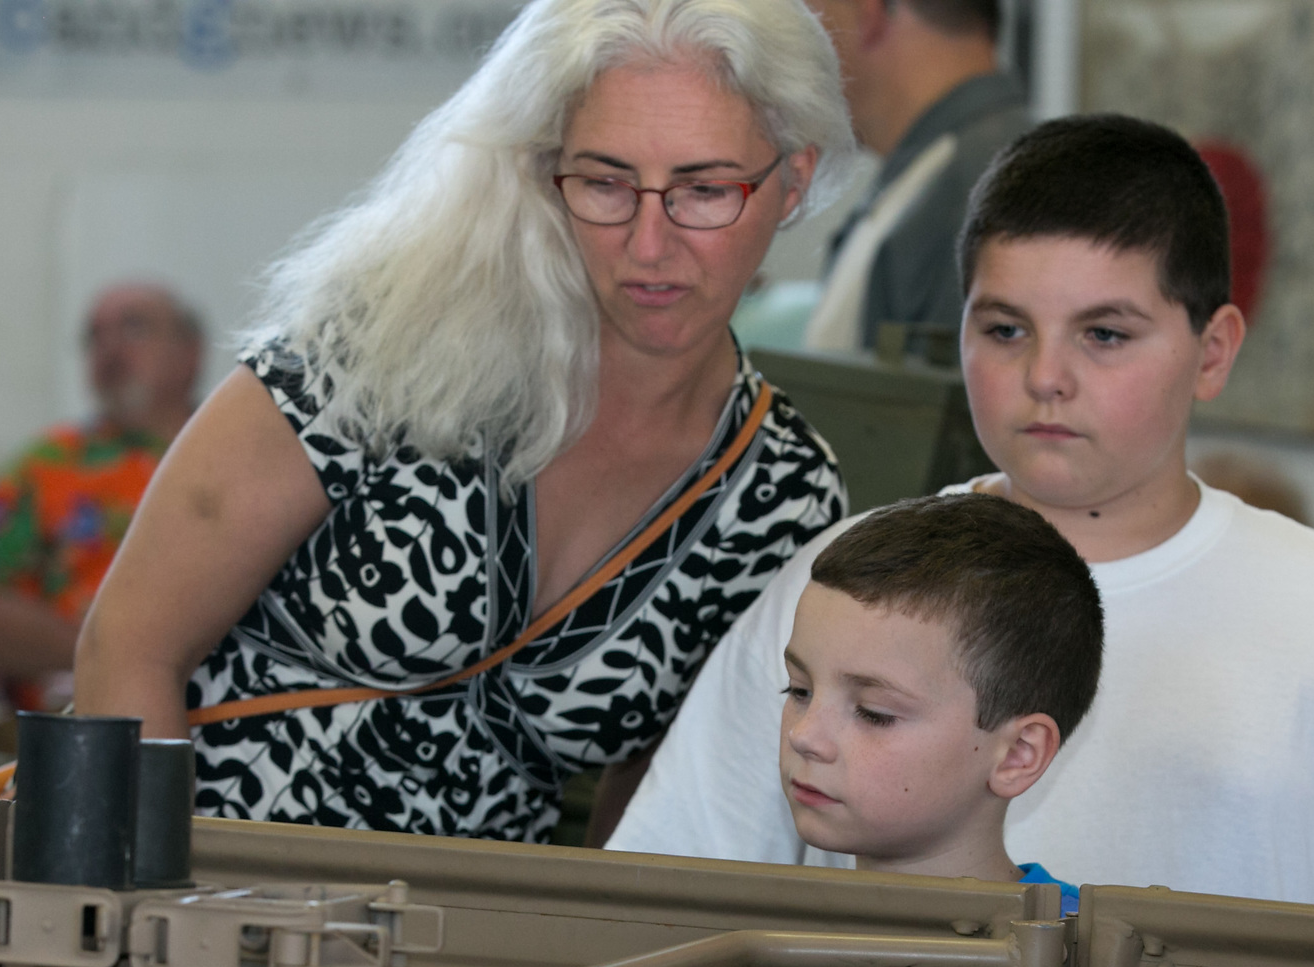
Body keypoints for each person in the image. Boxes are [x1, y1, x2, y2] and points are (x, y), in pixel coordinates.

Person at [614, 114, 1314, 922]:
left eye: (1105, 334)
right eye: (1004, 329)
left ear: (1212, 350)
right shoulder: (846, 583)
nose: (1045, 377)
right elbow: (662, 903)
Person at [74, 0, 853, 843]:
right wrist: (150, 927)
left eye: (705, 190)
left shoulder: (782, 496)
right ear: (543, 169)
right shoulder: (386, 346)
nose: (650, 243)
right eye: (604, 183)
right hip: (215, 910)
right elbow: (129, 650)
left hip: (482, 954)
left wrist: (582, 964)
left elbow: (666, 808)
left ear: (794, 182)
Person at [781, 492, 1099, 912]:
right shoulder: (747, 941)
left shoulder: (1088, 965)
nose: (804, 736)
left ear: (1018, 755)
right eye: (799, 690)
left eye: (874, 714)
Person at [0, 283, 203, 710]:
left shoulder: (228, 453)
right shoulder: (46, 463)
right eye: (94, 335)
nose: (109, 348)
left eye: (134, 326)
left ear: (190, 353)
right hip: (73, 718)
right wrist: (114, 656)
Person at [798, 0, 1027, 353]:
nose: (798, 48)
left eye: (808, 15)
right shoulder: (940, 171)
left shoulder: (988, 186)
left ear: (868, 14)